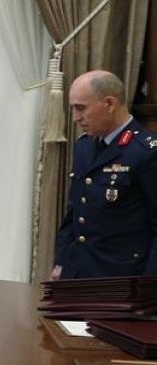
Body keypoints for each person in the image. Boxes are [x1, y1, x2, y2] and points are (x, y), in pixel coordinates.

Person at [51, 70, 157, 280]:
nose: (76, 118)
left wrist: (148, 286)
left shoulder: (146, 151)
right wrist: (61, 262)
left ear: (109, 104)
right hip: (78, 273)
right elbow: (74, 213)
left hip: (122, 279)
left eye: (81, 108)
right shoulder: (84, 147)